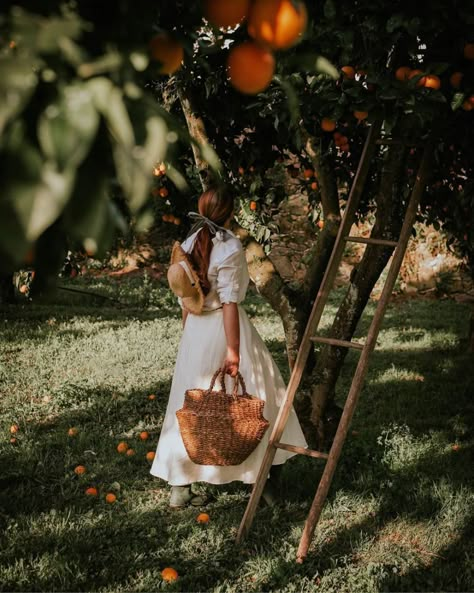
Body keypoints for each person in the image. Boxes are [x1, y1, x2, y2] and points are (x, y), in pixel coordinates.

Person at [150, 186, 308, 508]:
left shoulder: (190, 242)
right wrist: (233, 352)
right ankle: (264, 482)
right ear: (231, 214)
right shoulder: (230, 246)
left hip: (196, 329)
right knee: (260, 399)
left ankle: (180, 488)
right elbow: (230, 303)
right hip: (225, 328)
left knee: (190, 407)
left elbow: (186, 296)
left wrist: (188, 334)